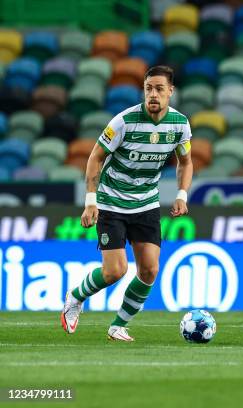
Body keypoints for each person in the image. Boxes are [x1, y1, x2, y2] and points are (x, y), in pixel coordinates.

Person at [60, 65, 193, 341]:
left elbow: (186, 161)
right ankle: (74, 297)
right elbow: (95, 157)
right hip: (112, 201)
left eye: (158, 88)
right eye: (148, 88)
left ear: (171, 91)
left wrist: (182, 193)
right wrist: (90, 201)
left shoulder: (179, 124)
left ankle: (118, 325)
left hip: (146, 204)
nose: (153, 94)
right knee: (115, 271)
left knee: (150, 269)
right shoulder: (124, 122)